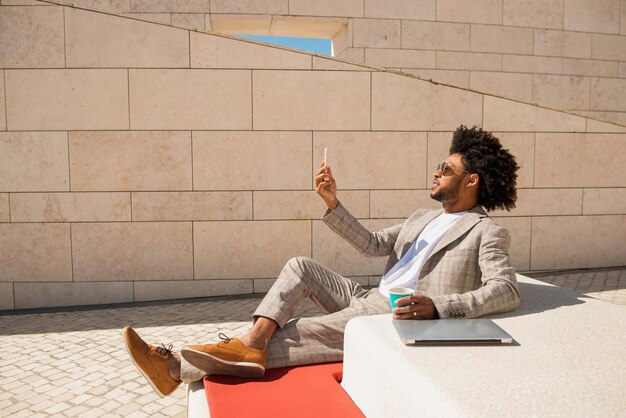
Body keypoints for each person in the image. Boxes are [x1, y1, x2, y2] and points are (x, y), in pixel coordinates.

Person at [124, 125, 521, 397]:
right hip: (367, 295)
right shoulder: (423, 217)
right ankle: (252, 344)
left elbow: (504, 290)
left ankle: (175, 368)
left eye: (446, 170)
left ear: (471, 181)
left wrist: (439, 306)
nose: (436, 172)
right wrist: (333, 202)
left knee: (299, 330)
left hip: (397, 312)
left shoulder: (486, 231)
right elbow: (372, 244)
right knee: (300, 265)